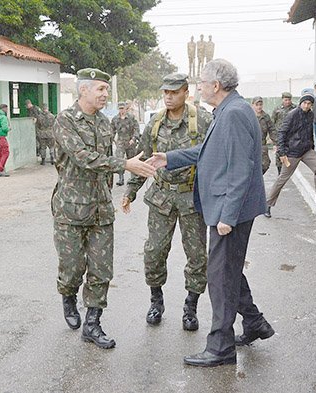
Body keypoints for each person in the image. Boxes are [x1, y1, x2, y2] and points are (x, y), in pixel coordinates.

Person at [147, 59, 274, 367]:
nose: (199, 87)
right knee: (227, 270)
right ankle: (255, 323)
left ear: (216, 86)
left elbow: (242, 169)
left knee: (219, 278)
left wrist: (227, 217)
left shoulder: (233, 114)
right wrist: (169, 157)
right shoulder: (229, 110)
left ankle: (220, 348)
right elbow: (208, 151)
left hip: (230, 212)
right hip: (229, 207)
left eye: (202, 82)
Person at [51, 68, 156, 349]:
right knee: (72, 268)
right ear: (82, 90)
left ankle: (93, 323)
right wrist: (125, 164)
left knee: (101, 270)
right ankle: (69, 296)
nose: (105, 95)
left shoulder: (105, 123)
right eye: (100, 89)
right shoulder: (65, 121)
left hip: (100, 208)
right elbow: (83, 157)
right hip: (71, 209)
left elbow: (105, 163)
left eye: (106, 90)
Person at [122, 73, 212, 331]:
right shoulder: (155, 123)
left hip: (191, 198)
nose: (169, 97)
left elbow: (214, 156)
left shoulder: (203, 120)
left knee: (196, 255)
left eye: (174, 92)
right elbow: (144, 160)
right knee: (154, 252)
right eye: (165, 92)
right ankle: (156, 300)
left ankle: (190, 307)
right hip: (161, 198)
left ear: (186, 92)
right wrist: (131, 191)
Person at [265, 92, 316, 218]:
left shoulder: (310, 114)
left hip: (306, 150)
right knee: (282, 179)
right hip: (292, 152)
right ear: (300, 103)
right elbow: (282, 132)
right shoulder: (292, 114)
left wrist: (312, 147)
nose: (306, 105)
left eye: (309, 103)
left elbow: (309, 131)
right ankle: (267, 205)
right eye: (304, 103)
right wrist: (282, 152)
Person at [111, 102, 140, 186]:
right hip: (120, 142)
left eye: (123, 108)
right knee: (119, 159)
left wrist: (134, 139)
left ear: (125, 108)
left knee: (132, 159)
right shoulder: (115, 119)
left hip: (130, 142)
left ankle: (133, 178)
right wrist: (112, 139)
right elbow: (112, 130)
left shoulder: (131, 117)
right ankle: (121, 178)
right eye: (120, 108)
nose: (122, 110)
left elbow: (136, 129)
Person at [272, 92, 296, 174]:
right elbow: (273, 122)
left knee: (290, 154)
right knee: (279, 153)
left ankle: (288, 171)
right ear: (282, 99)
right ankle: (280, 171)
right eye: (286, 100)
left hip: (291, 135)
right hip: (280, 135)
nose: (288, 102)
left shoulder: (295, 108)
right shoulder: (277, 109)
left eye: (289, 100)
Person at [251, 96, 276, 174]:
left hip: (262, 145)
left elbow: (272, 130)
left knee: (265, 164)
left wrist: (277, 142)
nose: (259, 107)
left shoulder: (265, 117)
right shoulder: (248, 116)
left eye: (260, 104)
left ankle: (257, 180)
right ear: (252, 105)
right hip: (250, 145)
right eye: (257, 105)